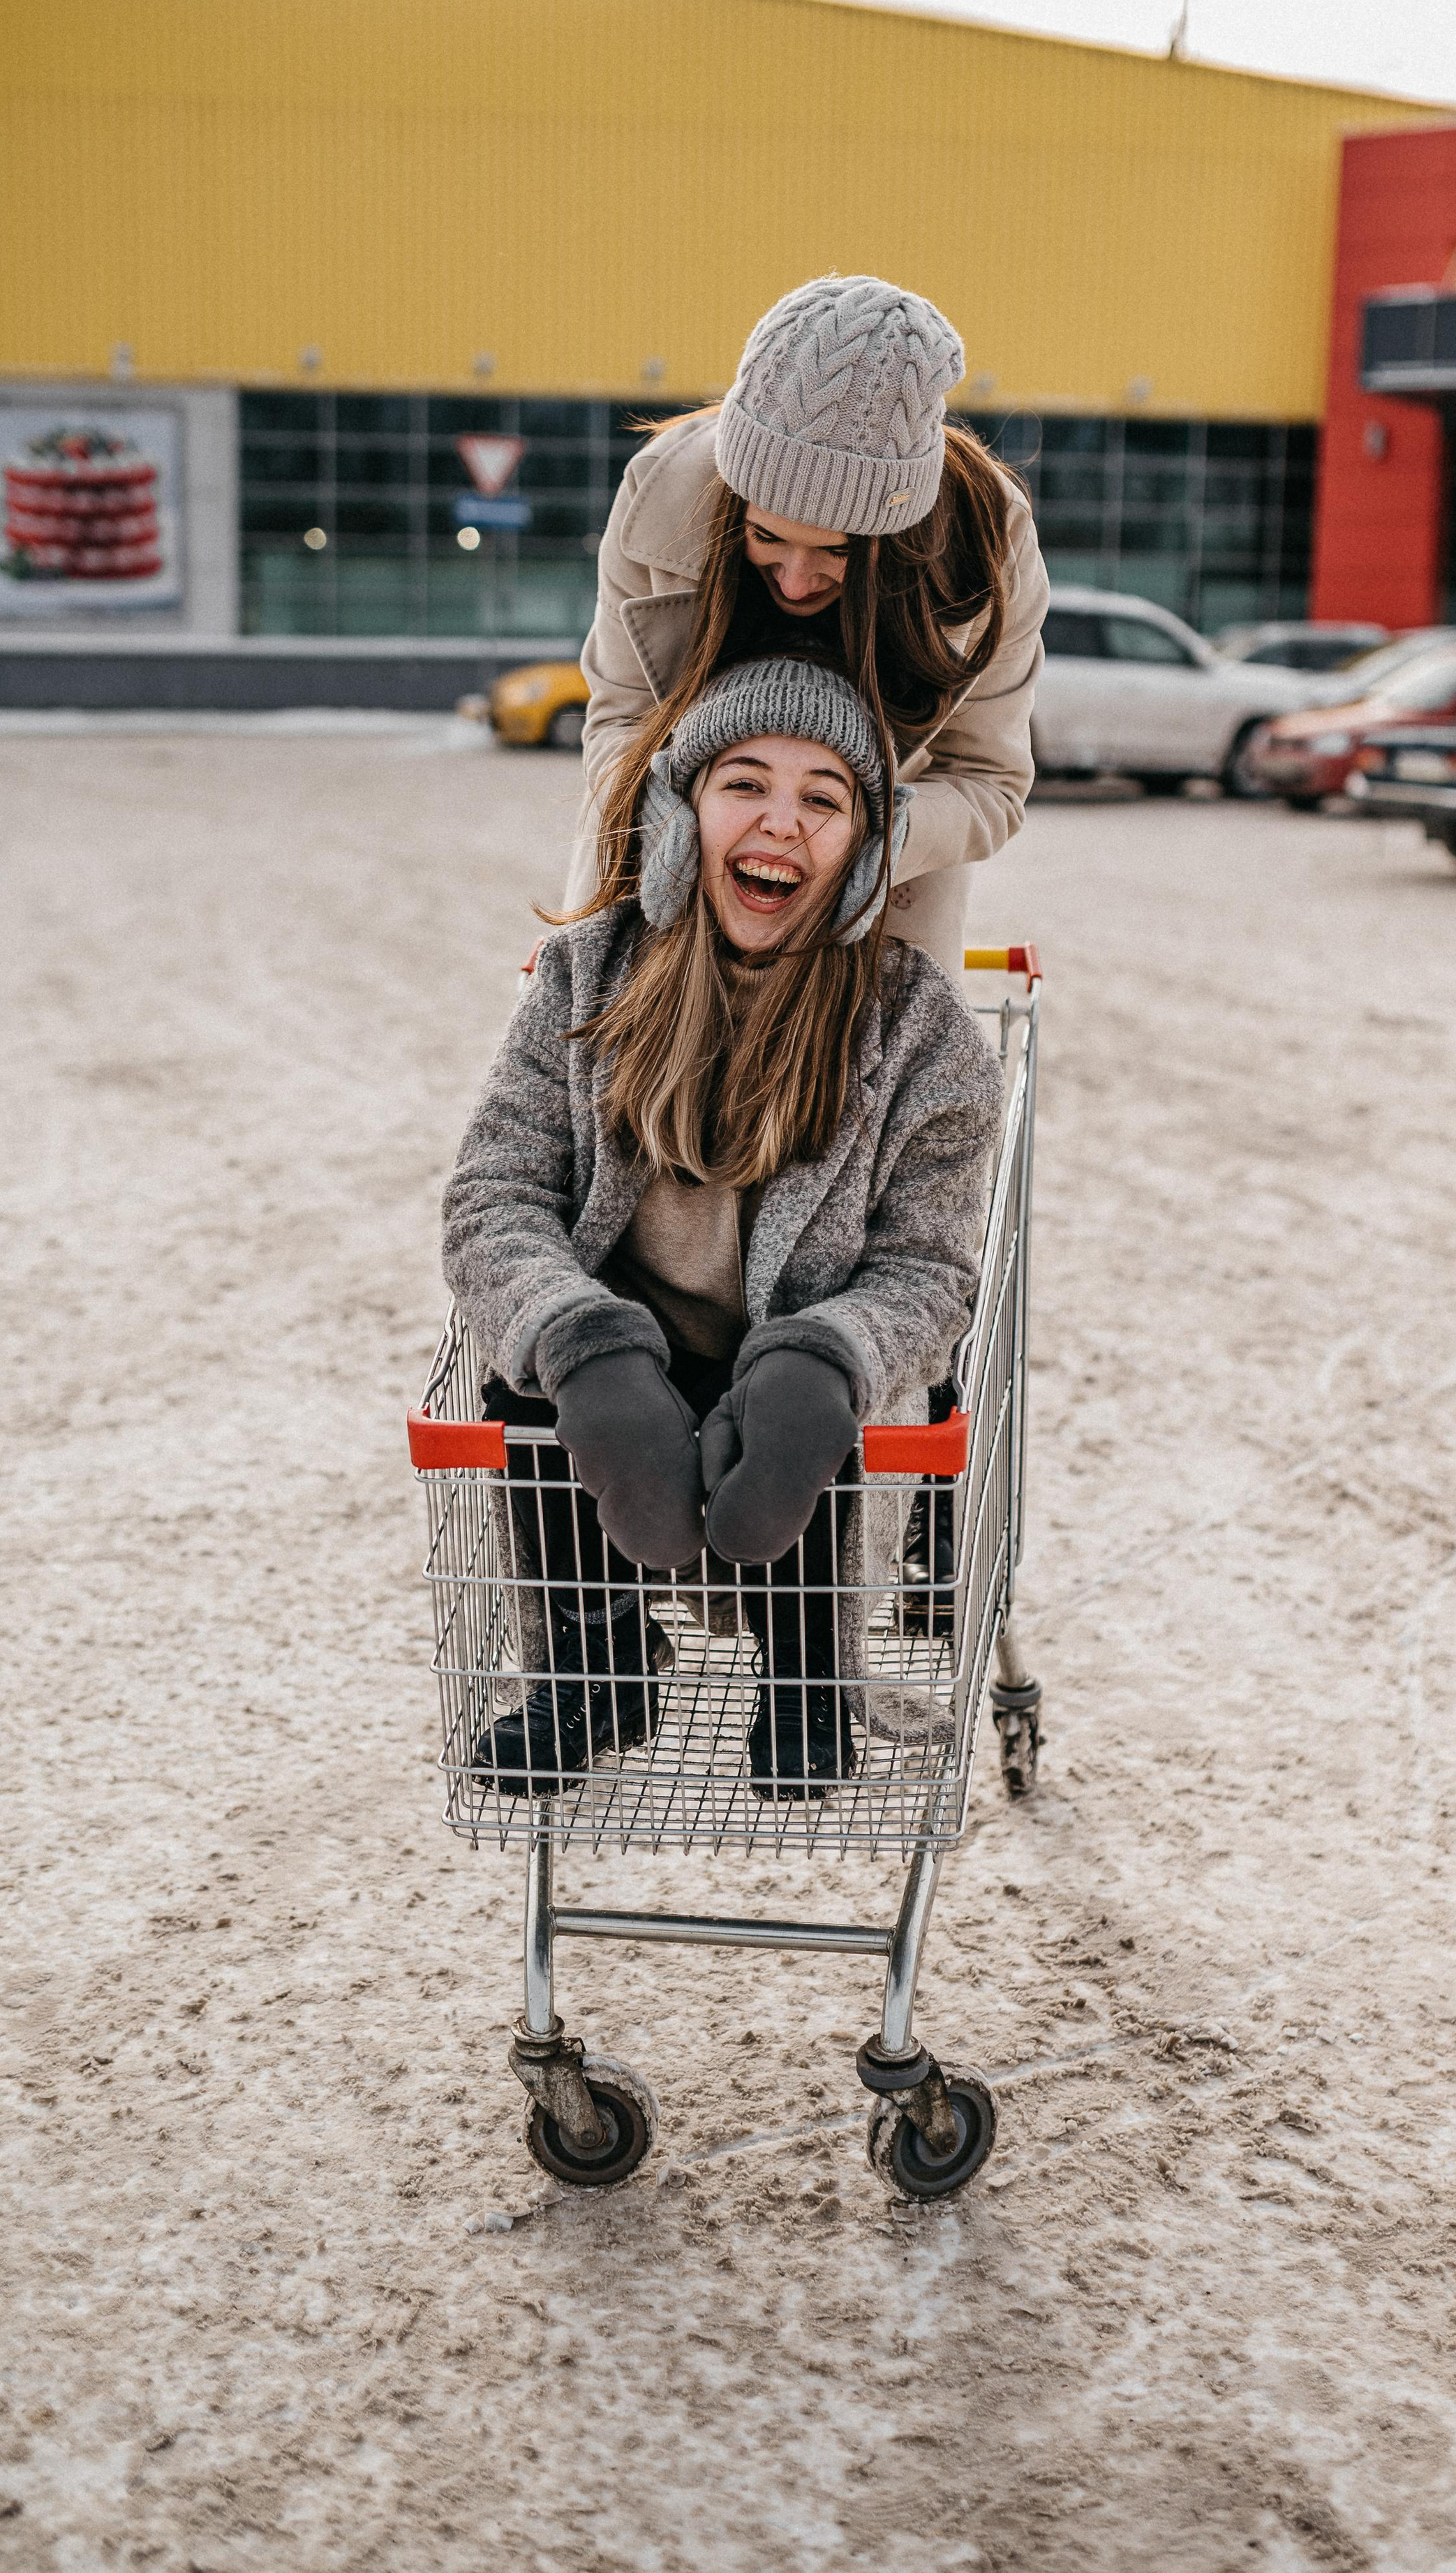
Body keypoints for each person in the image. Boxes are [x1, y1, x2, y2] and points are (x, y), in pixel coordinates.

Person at [442, 654, 1004, 1799]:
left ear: (863, 848)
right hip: (632, 1356)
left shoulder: (921, 1031)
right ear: (684, 808)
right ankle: (594, 1673)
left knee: (816, 1403)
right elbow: (492, 1195)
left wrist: (830, 1352)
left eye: (823, 798)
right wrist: (580, 1340)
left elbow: (931, 1267)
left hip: (804, 1374)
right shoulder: (589, 977)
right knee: (530, 1379)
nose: (780, 823)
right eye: (745, 782)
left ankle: (806, 1680)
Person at [566, 274, 1050, 979]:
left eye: (837, 552)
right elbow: (619, 717)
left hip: (883, 898)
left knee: (879, 1051)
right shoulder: (659, 500)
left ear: (895, 540)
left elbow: (990, 782)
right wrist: (662, 814)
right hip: (664, 869)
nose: (795, 581)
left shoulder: (988, 548)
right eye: (766, 537)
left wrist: (883, 839)